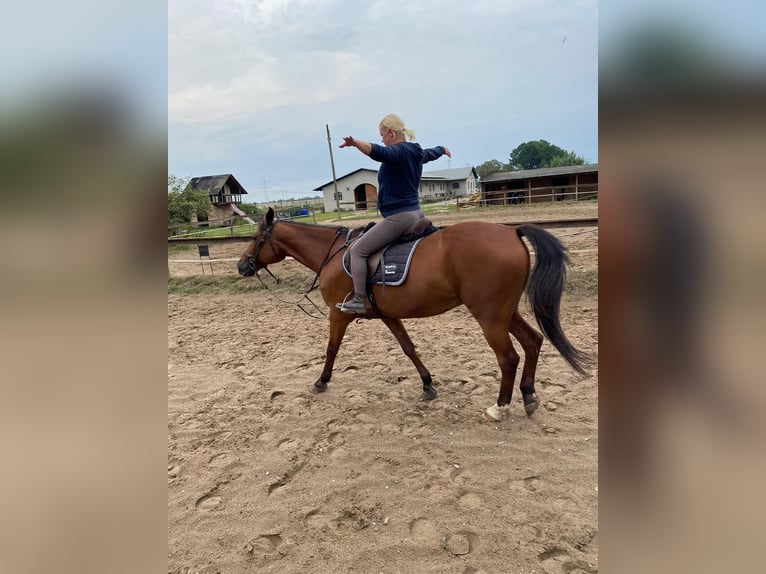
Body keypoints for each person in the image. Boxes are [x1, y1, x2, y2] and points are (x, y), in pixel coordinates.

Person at [336, 114, 451, 314]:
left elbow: (377, 151)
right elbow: (430, 153)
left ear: (391, 133)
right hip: (415, 213)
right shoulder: (416, 152)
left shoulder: (398, 152)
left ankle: (359, 299)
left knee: (357, 251)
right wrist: (442, 150)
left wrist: (355, 143)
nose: (382, 139)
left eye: (382, 135)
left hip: (400, 217)